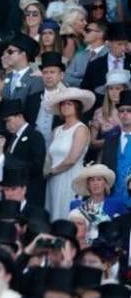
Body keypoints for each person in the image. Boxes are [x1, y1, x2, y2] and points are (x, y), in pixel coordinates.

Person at [46, 87, 94, 220]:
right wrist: (47, 171)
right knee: (53, 213)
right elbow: (49, 156)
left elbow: (72, 159)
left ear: (77, 107)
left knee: (67, 213)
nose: (65, 106)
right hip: (53, 178)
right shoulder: (57, 130)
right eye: (62, 104)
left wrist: (51, 171)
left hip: (71, 177)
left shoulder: (81, 129)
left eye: (69, 104)